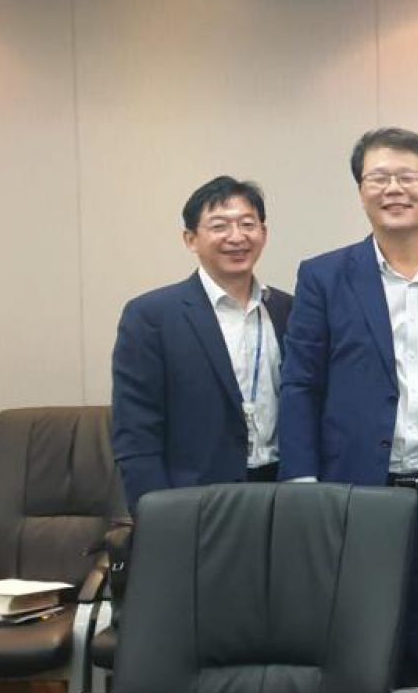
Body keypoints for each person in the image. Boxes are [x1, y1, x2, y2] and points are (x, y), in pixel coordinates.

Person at [279, 127, 418, 693]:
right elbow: (300, 384)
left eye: (408, 176)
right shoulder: (323, 275)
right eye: (378, 178)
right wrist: (304, 481)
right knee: (354, 643)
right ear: (361, 192)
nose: (394, 188)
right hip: (353, 493)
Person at [112, 176, 291, 512]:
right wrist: (156, 515)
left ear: (263, 234)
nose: (236, 237)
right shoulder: (152, 316)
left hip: (282, 495)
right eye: (219, 226)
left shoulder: (288, 310)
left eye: (247, 224)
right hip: (196, 501)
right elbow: (136, 431)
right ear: (191, 239)